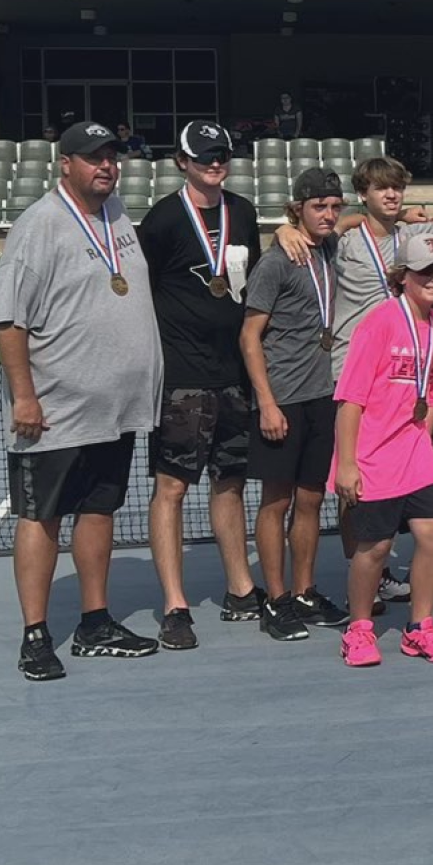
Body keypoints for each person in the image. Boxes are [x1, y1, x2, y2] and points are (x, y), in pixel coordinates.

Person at [0, 120, 163, 681]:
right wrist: (25, 396)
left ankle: (95, 621)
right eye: (93, 157)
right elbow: (9, 321)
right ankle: (36, 635)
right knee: (42, 517)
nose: (106, 165)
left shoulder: (116, 216)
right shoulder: (39, 226)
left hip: (114, 411)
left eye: (111, 155)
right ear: (64, 163)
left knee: (99, 510)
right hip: (54, 412)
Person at [136, 120, 264, 650]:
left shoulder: (245, 211)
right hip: (182, 380)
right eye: (205, 156)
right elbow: (139, 293)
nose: (216, 162)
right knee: (171, 488)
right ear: (182, 161)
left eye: (222, 154)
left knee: (230, 482)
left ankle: (241, 590)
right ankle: (174, 604)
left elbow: (250, 285)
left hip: (234, 376)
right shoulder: (164, 220)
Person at [333, 233, 433, 667]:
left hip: (413, 448)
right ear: (403, 276)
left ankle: (419, 628)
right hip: (370, 452)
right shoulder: (380, 322)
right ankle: (359, 630)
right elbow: (350, 400)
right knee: (375, 547)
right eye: (426, 270)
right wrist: (347, 463)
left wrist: (425, 448)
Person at [239, 167, 352, 640]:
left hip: (321, 398)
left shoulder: (327, 248)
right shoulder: (277, 262)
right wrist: (266, 404)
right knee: (276, 501)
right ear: (297, 209)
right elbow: (249, 337)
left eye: (334, 206)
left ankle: (305, 592)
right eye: (317, 207)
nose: (328, 215)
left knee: (311, 500)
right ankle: (277, 599)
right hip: (281, 400)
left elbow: (357, 220)